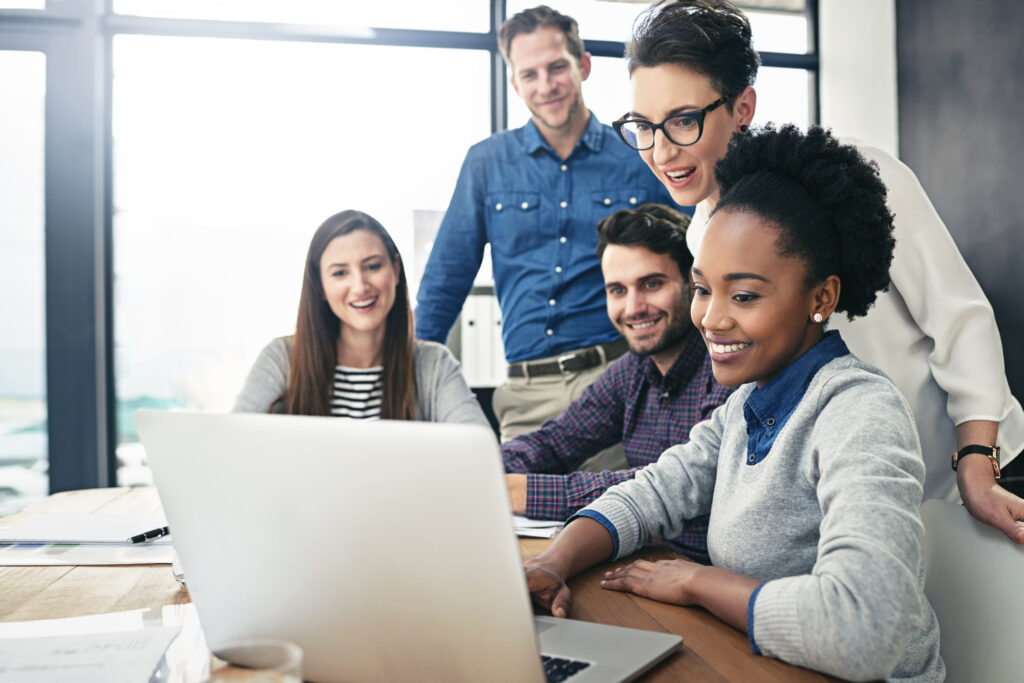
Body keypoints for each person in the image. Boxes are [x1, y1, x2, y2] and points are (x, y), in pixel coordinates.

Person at [526, 124, 944, 682]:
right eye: (703, 289)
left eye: (743, 295)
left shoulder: (859, 411)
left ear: (821, 297)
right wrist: (553, 562)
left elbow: (864, 630)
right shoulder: (746, 405)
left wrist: (698, 582)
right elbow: (651, 491)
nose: (711, 318)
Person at [612, 0, 1024, 541]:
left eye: (684, 121)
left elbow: (960, 321)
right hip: (861, 497)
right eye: (644, 125)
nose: (662, 150)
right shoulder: (701, 234)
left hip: (968, 474)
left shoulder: (859, 177)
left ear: (742, 108)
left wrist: (975, 462)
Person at [414, 6, 678, 461]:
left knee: (612, 525)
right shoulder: (486, 163)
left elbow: (691, 258)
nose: (546, 85)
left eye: (557, 67)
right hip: (524, 394)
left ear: (584, 65)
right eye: (529, 74)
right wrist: (405, 380)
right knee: (512, 523)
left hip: (620, 382)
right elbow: (444, 283)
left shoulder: (639, 154)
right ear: (515, 84)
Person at [503, 203, 731, 563]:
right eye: (617, 291)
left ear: (694, 283)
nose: (633, 307)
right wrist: (484, 471)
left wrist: (521, 491)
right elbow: (555, 442)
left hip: (706, 575)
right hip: (645, 564)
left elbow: (668, 484)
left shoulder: (726, 365)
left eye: (651, 284)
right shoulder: (632, 370)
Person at [234, 209, 489, 427]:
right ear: (320, 285)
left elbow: (481, 456)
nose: (360, 286)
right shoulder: (281, 358)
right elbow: (231, 448)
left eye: (373, 266)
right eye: (340, 273)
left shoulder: (434, 364)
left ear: (396, 270)